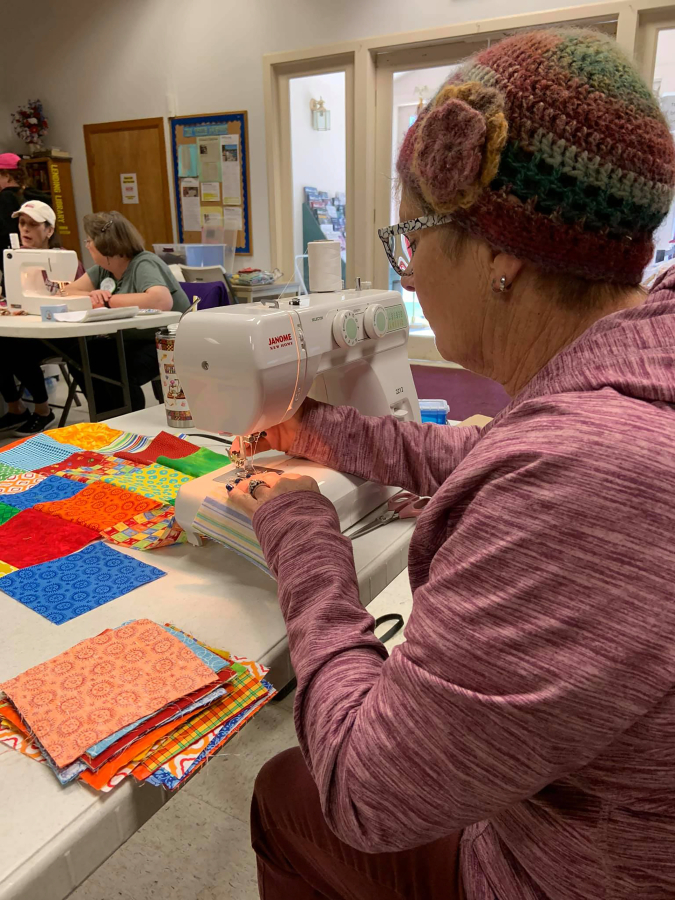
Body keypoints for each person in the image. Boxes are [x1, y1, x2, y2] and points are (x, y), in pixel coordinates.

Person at [225, 29, 675, 900]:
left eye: (412, 238)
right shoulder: (634, 381)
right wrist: (319, 431)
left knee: (291, 792)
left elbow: (363, 792)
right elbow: (487, 452)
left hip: (561, 878)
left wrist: (298, 529)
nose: (411, 275)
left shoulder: (594, 477)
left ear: (498, 253)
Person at [62, 211, 190, 411]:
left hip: (166, 341)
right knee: (79, 356)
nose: (87, 246)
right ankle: (105, 416)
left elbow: (160, 300)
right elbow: (68, 292)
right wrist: (91, 296)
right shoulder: (105, 268)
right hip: (130, 338)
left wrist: (107, 301)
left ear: (105, 244)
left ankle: (127, 417)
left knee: (114, 367)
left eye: (89, 241)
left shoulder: (143, 263)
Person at [0, 200, 85, 435]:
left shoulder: (62, 260)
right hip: (28, 328)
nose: (25, 229)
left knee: (16, 347)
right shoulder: (15, 260)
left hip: (61, 333)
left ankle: (43, 411)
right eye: (22, 223)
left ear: (49, 230)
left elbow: (73, 299)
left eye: (33, 224)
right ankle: (16, 409)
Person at [0, 153, 26, 273]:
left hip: (10, 254)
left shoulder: (5, 197)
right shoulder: (29, 195)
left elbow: (4, 230)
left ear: (6, 175)